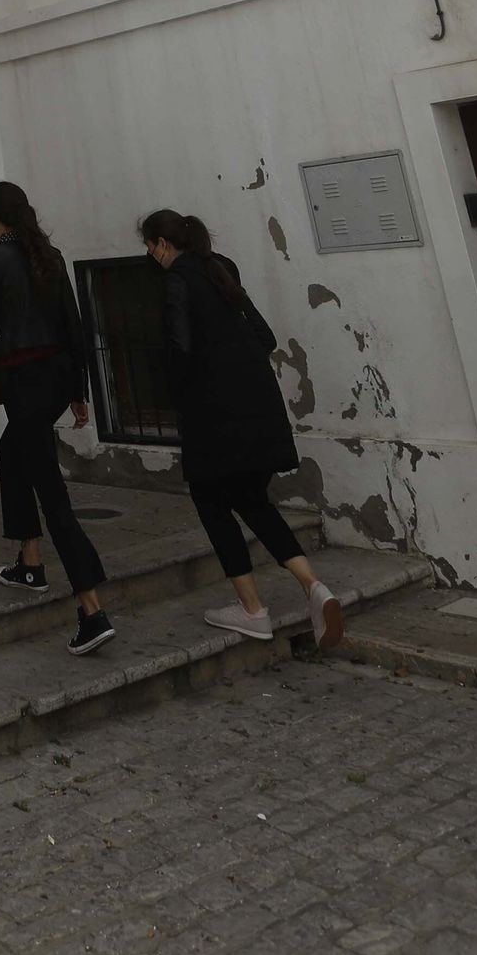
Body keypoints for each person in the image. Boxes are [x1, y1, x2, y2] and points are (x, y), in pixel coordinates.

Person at [140, 209, 343, 648]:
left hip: (215, 418)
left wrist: (178, 397)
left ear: (161, 243)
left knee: (210, 501)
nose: (151, 257)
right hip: (260, 409)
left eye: (150, 248)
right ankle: (313, 586)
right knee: (252, 501)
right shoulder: (221, 269)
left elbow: (179, 352)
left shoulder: (177, 280)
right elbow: (265, 336)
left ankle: (252, 610)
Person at [0, 181, 114, 655]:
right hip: (54, 380)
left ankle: (91, 608)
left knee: (54, 496)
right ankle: (29, 561)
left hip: (24, 383)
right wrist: (79, 391)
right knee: (12, 453)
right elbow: (73, 322)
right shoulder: (51, 255)